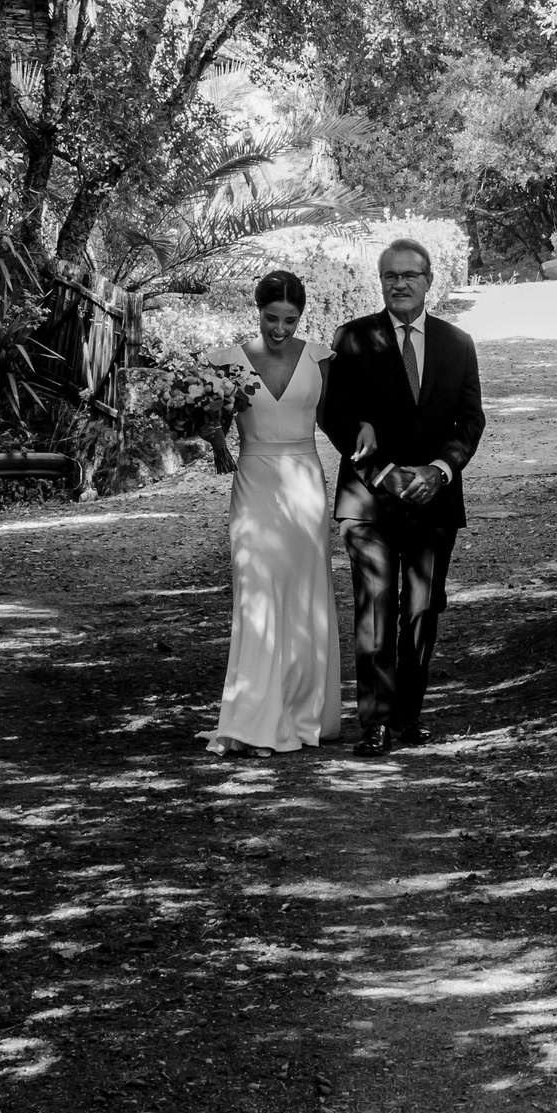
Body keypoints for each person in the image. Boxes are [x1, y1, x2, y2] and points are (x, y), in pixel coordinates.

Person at [319, 239, 486, 757]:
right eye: (390, 275)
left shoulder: (458, 343)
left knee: (421, 609)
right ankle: (374, 723)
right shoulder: (352, 338)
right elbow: (335, 414)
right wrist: (384, 472)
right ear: (381, 281)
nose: (400, 283)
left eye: (410, 275)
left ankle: (408, 716)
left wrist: (440, 470)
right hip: (369, 501)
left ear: (429, 280)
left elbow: (470, 420)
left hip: (433, 501)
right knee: (375, 609)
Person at [201, 271, 344, 757]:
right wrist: (210, 433)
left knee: (304, 595)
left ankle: (302, 712)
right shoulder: (226, 361)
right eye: (271, 318)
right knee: (256, 595)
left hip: (304, 483)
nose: (279, 329)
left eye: (290, 320)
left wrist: (367, 433)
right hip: (255, 480)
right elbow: (214, 420)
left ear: (301, 317)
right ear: (257, 311)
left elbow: (333, 419)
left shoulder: (321, 357)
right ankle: (253, 721)